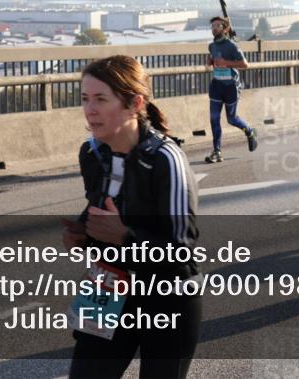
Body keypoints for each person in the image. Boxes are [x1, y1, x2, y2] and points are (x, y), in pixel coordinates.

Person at [64, 56, 201, 379]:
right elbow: (100, 207)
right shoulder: (91, 153)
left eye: (101, 99)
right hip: (107, 286)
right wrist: (82, 232)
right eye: (85, 99)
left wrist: (125, 237)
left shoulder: (166, 159)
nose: (90, 109)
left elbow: (181, 255)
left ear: (134, 103)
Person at [205, 16, 258, 163]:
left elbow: (245, 64)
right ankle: (217, 151)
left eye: (218, 26)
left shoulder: (232, 46)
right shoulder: (212, 46)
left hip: (231, 88)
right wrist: (210, 61)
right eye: (213, 26)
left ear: (225, 29)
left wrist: (226, 63)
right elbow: (212, 59)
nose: (214, 28)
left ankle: (250, 131)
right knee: (214, 119)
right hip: (216, 86)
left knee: (232, 119)